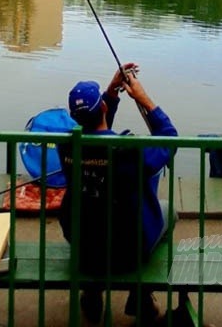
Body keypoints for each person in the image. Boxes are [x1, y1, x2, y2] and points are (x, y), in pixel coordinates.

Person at [59, 64, 177, 324]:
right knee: (169, 212)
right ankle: (141, 297)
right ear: (101, 108)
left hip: (84, 247)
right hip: (127, 251)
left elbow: (96, 135)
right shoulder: (128, 151)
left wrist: (111, 94)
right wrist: (143, 98)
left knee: (96, 216)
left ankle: (91, 292)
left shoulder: (67, 146)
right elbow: (169, 141)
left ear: (74, 117)